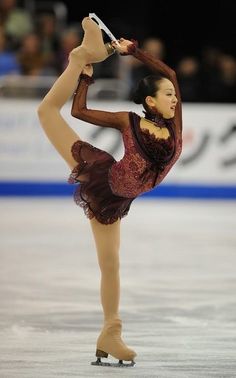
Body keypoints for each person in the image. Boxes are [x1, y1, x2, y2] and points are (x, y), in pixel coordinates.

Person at [37, 17, 182, 367]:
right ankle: (78, 57)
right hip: (102, 179)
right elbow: (78, 110)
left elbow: (172, 75)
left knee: (111, 264)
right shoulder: (127, 121)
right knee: (46, 112)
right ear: (150, 100)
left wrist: (136, 52)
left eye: (174, 96)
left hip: (119, 200)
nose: (175, 99)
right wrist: (84, 74)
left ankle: (110, 332)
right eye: (167, 95)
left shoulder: (175, 125)